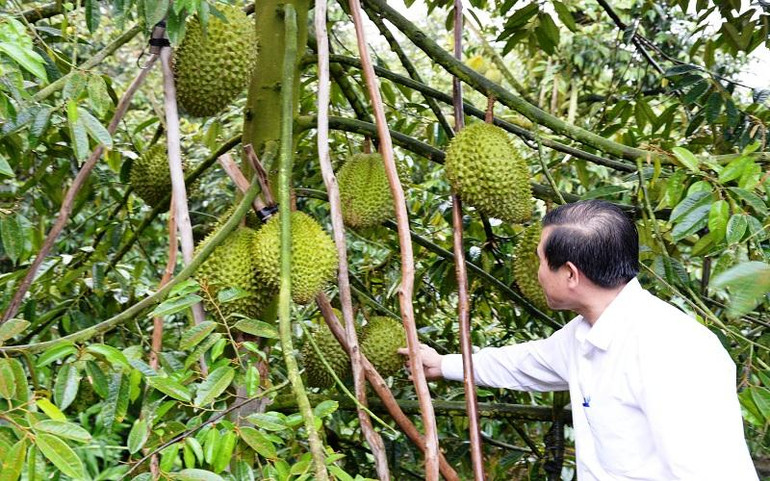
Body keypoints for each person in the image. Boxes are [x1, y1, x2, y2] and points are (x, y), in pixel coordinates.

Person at [402, 200, 758, 480]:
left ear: (570, 274)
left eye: (540, 260)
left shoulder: (673, 350)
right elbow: (526, 363)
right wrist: (444, 364)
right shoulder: (585, 334)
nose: (537, 272)